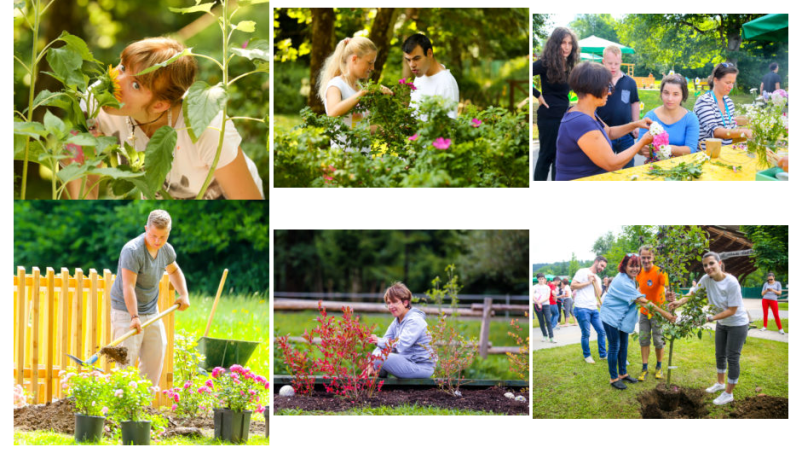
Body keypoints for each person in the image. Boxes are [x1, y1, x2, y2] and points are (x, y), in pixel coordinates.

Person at [75, 37, 263, 200]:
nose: (115, 80)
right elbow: (80, 193)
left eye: (135, 85)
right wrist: (80, 148)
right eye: (123, 67)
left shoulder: (206, 128)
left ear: (160, 105)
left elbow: (247, 201)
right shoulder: (96, 102)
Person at [110, 210, 190, 386]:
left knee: (157, 353)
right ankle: (121, 407)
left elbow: (174, 270)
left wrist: (183, 294)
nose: (157, 241)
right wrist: (134, 316)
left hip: (152, 311)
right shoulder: (132, 251)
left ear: (168, 232)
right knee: (125, 362)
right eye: (153, 235)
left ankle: (143, 403)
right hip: (126, 311)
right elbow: (128, 286)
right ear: (146, 228)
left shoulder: (166, 250)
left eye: (163, 236)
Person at [668, 252, 750, 405]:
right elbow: (693, 294)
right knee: (719, 354)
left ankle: (728, 393)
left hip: (737, 324)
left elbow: (732, 310)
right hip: (722, 323)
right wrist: (679, 302)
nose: (708, 267)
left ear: (719, 264)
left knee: (732, 358)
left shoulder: (731, 282)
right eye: (705, 265)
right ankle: (720, 383)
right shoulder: (706, 279)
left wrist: (710, 318)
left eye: (711, 263)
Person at [554, 62, 654, 180]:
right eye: (607, 87)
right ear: (592, 87)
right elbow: (612, 164)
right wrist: (642, 142)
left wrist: (636, 124)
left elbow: (610, 132)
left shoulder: (585, 113)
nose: (610, 92)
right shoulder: (581, 122)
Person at [317, 36, 394, 152]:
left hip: (363, 157)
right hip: (344, 160)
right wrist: (364, 92)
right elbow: (333, 112)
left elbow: (355, 128)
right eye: (370, 63)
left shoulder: (360, 88)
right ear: (355, 59)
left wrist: (378, 129)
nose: (372, 68)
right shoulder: (336, 84)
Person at [600, 254, 656, 390]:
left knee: (623, 346)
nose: (635, 268)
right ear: (624, 266)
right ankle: (614, 378)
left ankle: (623, 374)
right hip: (611, 317)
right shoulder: (622, 280)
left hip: (621, 318)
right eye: (632, 265)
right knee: (614, 346)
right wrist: (664, 313)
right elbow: (641, 300)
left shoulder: (630, 279)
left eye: (637, 265)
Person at [532, 27, 580, 181]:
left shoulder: (570, 65)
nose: (567, 47)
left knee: (559, 159)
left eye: (569, 43)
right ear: (555, 44)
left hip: (564, 117)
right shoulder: (544, 63)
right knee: (546, 157)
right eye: (563, 42)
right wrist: (537, 95)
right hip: (548, 116)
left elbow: (573, 90)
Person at [367, 282, 435, 378]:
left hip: (420, 367)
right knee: (376, 356)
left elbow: (400, 345)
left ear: (405, 302)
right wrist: (371, 362)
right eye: (389, 303)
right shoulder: (397, 321)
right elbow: (383, 344)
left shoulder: (415, 320)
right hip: (406, 361)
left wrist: (379, 341)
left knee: (380, 357)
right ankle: (378, 380)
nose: (391, 306)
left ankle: (378, 376)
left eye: (394, 302)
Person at [597, 46, 641, 168]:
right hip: (604, 133)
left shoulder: (630, 82)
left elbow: (634, 103)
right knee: (604, 169)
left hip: (626, 133)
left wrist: (636, 124)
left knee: (627, 169)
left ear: (621, 62)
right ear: (603, 62)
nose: (613, 66)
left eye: (616, 63)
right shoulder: (598, 81)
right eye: (610, 63)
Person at [635, 245, 675, 381]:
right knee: (644, 340)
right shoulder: (638, 272)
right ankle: (644, 368)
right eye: (643, 257)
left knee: (658, 340)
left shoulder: (660, 272)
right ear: (640, 257)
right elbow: (638, 289)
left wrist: (670, 297)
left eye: (648, 257)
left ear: (653, 257)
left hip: (658, 313)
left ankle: (659, 366)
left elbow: (668, 289)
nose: (646, 260)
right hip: (644, 313)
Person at [693, 63, 753, 152]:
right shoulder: (704, 102)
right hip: (707, 153)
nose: (731, 87)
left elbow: (731, 127)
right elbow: (715, 132)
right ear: (716, 80)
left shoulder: (728, 102)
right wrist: (744, 131)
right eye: (728, 83)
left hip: (726, 151)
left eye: (732, 83)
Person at [637, 74, 701, 158]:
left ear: (683, 96)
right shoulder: (650, 117)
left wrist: (667, 149)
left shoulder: (690, 119)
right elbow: (639, 148)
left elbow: (691, 149)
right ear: (661, 93)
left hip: (682, 167)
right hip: (655, 167)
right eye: (666, 93)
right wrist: (642, 150)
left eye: (675, 94)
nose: (670, 98)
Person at [402, 33, 459, 119]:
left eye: (416, 58)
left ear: (429, 53)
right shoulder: (419, 77)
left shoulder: (446, 83)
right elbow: (413, 117)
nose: (412, 65)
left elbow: (448, 127)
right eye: (408, 60)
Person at [571, 256, 608, 363]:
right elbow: (572, 285)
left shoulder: (598, 278)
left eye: (604, 267)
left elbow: (598, 294)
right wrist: (588, 282)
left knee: (601, 331)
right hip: (582, 308)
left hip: (593, 308)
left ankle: (603, 354)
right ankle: (587, 355)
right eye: (601, 265)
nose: (602, 268)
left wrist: (595, 281)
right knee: (586, 333)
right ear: (596, 262)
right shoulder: (582, 271)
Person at [532, 274, 556, 343]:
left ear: (544, 279)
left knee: (548, 320)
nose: (541, 280)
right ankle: (545, 335)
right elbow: (532, 296)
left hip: (546, 305)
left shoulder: (547, 287)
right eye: (540, 279)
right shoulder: (534, 287)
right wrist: (537, 303)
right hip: (537, 305)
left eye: (542, 278)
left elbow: (547, 297)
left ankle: (551, 337)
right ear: (537, 279)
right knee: (541, 321)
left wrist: (540, 302)